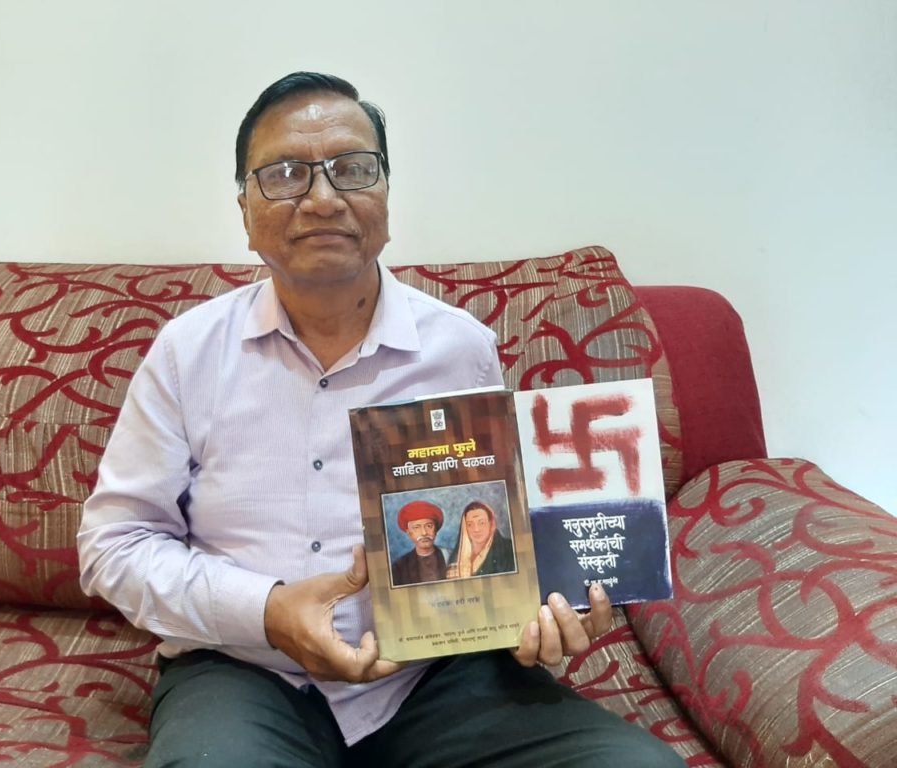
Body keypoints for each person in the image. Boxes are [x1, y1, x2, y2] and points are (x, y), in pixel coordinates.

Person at [77, 71, 685, 767]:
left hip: (439, 677)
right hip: (246, 671)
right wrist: (268, 611)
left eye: (352, 168)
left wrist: (546, 605)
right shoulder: (187, 353)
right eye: (285, 174)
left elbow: (498, 530)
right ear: (245, 212)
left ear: (386, 196)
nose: (323, 198)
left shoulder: (460, 348)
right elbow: (114, 545)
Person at [448, 500, 515, 578]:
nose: (476, 529)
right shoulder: (456, 556)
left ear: (491, 524)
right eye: (470, 524)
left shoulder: (509, 550)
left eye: (481, 523)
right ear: (465, 528)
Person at [390, 500, 448, 586]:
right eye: (417, 527)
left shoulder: (449, 556)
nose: (424, 533)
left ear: (435, 530)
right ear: (409, 533)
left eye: (429, 526)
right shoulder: (399, 567)